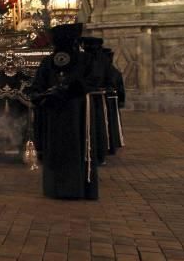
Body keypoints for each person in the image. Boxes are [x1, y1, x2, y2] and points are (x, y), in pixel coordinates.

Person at [30, 23, 98, 200]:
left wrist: (67, 90)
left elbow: (92, 82)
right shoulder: (48, 62)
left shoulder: (85, 60)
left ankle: (71, 188)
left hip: (77, 112)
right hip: (56, 112)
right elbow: (37, 87)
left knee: (75, 147)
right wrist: (45, 94)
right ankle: (57, 188)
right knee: (57, 148)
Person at [81, 37, 112, 166]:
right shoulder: (102, 58)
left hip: (92, 99)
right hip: (97, 98)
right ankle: (98, 154)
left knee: (93, 127)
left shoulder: (87, 59)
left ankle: (94, 154)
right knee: (97, 127)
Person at [103, 47, 125, 154]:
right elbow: (121, 89)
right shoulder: (115, 72)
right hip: (113, 100)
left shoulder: (104, 71)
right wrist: (121, 101)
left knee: (107, 123)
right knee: (113, 123)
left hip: (105, 100)